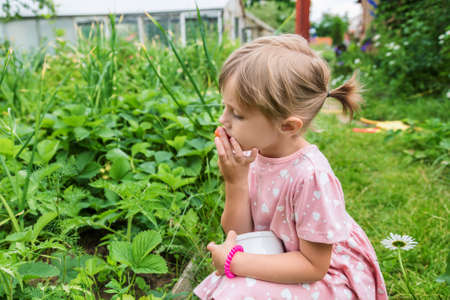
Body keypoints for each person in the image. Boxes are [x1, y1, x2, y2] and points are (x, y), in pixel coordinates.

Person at [193, 34, 387, 300]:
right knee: (230, 285)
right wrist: (235, 181)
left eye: (236, 113)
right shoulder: (256, 155)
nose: (222, 119)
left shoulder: (310, 176)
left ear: (287, 125)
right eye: (225, 107)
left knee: (234, 289)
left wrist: (235, 262)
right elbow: (239, 235)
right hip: (280, 258)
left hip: (327, 276)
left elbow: (314, 266)